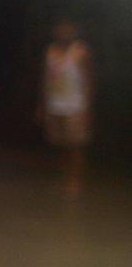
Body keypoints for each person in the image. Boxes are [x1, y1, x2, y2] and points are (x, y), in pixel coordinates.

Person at [38, 17, 93, 198]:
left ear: (75, 30)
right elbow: (46, 79)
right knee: (59, 144)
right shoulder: (51, 50)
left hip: (75, 106)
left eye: (68, 29)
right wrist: (43, 105)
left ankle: (75, 182)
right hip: (55, 105)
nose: (64, 32)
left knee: (76, 146)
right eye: (61, 28)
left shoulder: (81, 50)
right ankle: (64, 179)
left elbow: (89, 80)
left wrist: (87, 108)